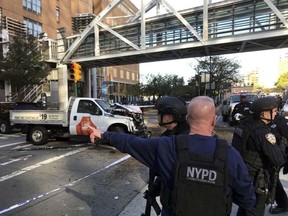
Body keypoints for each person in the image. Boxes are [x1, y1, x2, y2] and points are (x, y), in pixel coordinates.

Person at [89, 96, 255, 216]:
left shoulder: (167, 146)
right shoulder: (230, 155)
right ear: (214, 120)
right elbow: (247, 200)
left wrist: (103, 134)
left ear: (188, 119)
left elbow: (130, 142)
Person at [231, 96, 287, 216]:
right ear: (265, 113)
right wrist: (282, 144)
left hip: (242, 174)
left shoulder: (244, 124)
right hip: (255, 178)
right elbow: (278, 159)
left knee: (244, 209)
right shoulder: (262, 132)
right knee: (254, 210)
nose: (276, 113)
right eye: (274, 111)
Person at [142, 96, 189, 215]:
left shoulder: (180, 139)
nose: (158, 115)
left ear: (171, 116)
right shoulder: (170, 134)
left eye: (161, 113)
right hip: (170, 200)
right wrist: (155, 189)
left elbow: (173, 172)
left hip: (178, 205)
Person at [269, 113, 288, 214]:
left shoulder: (280, 122)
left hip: (280, 155)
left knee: (273, 178)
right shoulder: (267, 121)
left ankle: (283, 204)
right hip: (272, 153)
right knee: (272, 177)